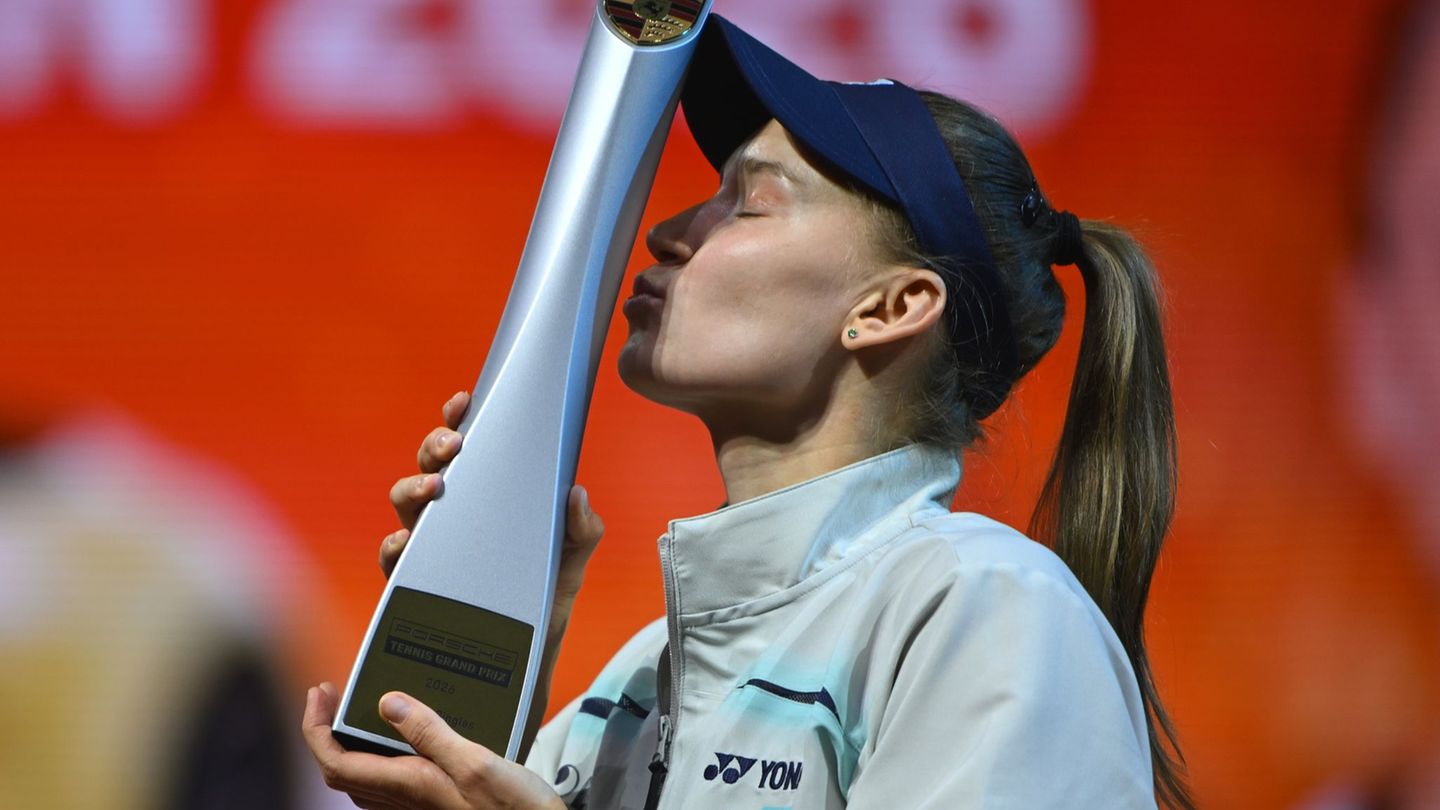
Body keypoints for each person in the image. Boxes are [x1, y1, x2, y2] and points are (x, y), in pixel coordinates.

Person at [302, 14, 1191, 809]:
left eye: (749, 201)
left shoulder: (987, 615)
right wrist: (493, 672)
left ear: (889, 309)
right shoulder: (627, 691)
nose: (670, 231)